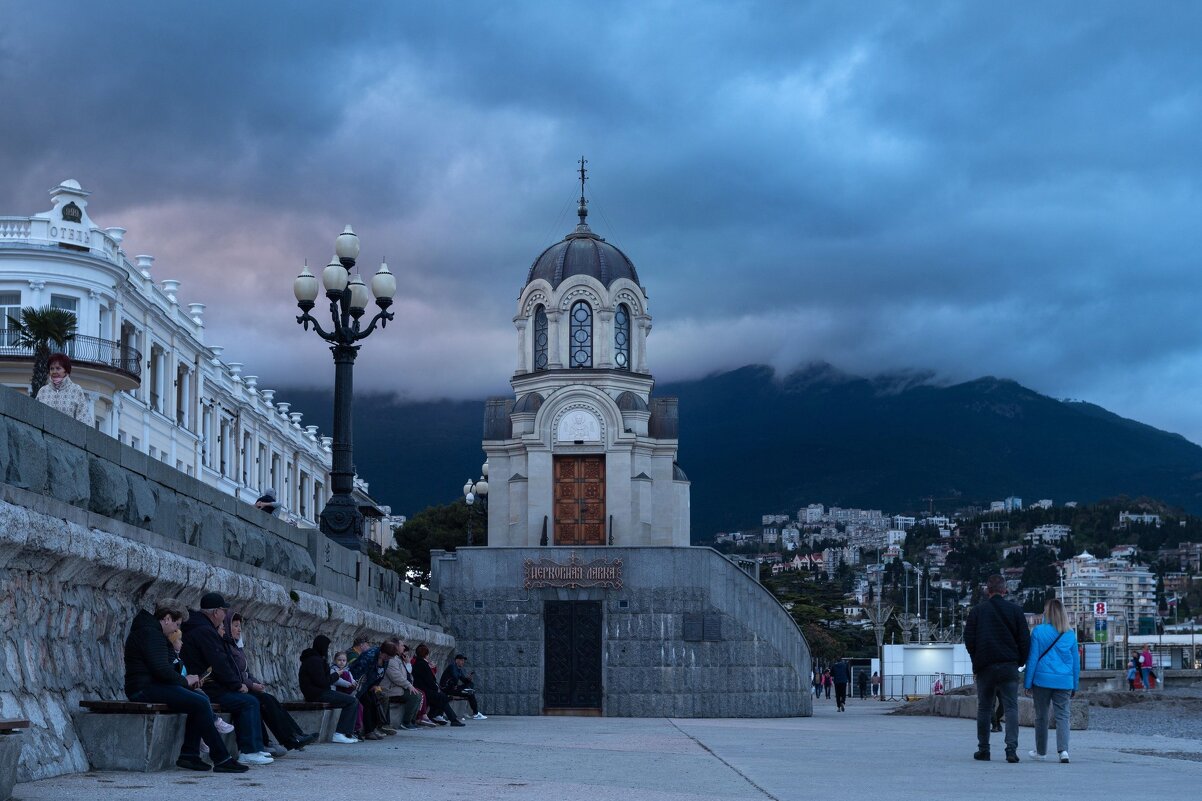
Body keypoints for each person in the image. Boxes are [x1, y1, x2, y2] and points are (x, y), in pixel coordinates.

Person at [123, 599, 247, 773]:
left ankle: (190, 755)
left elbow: (163, 667)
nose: (177, 630)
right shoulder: (150, 633)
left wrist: (186, 679)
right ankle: (221, 759)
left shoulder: (153, 632)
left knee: (199, 700)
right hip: (143, 689)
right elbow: (160, 670)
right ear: (167, 618)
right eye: (177, 624)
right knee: (199, 702)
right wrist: (184, 681)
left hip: (150, 686)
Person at [180, 592, 272, 766]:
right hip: (207, 686)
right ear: (216, 612)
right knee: (248, 702)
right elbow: (219, 662)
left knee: (251, 700)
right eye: (223, 611)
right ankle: (249, 750)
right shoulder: (205, 631)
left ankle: (256, 747)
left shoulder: (198, 627)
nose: (224, 617)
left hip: (203, 685)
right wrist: (237, 685)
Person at [963, 574, 1030, 763]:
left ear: (987, 590)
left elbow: (969, 639)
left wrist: (977, 659)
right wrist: (1019, 662)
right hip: (1009, 665)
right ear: (1005, 590)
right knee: (1011, 708)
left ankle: (984, 749)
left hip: (985, 666)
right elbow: (1025, 641)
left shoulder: (977, 611)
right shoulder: (1016, 611)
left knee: (984, 708)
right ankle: (1011, 750)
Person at [226, 613, 316, 754]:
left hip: (245, 686)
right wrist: (251, 685)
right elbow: (233, 673)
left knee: (268, 699)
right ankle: (286, 739)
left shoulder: (237, 648)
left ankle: (295, 735)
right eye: (235, 626)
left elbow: (246, 672)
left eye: (240, 626)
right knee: (261, 701)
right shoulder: (228, 648)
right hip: (236, 688)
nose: (239, 630)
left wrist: (256, 683)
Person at [1025, 598, 1079, 764]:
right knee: (1063, 716)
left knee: (1041, 716)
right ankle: (1063, 751)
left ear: (1046, 613)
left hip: (1042, 680)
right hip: (1064, 681)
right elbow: (1075, 662)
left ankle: (1041, 752)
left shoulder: (1038, 631)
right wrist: (1075, 684)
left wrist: (1028, 683)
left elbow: (1032, 658)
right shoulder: (1070, 634)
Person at [298, 635, 359, 744]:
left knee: (351, 700)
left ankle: (345, 733)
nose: (327, 649)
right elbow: (322, 682)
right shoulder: (314, 660)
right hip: (317, 693)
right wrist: (337, 674)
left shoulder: (315, 658)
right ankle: (340, 733)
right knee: (352, 701)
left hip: (318, 692)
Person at [349, 641, 397, 739]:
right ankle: (368, 731)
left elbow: (381, 674)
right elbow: (358, 673)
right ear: (382, 652)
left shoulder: (385, 659)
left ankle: (373, 729)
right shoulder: (369, 656)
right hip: (359, 684)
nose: (388, 659)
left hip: (370, 685)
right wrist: (358, 689)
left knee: (375, 702)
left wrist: (375, 685)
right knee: (367, 702)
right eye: (387, 656)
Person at [412, 643, 465, 726]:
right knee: (442, 697)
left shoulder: (418, 663)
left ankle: (433, 716)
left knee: (441, 698)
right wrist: (436, 688)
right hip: (425, 690)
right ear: (426, 654)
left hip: (423, 689)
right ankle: (453, 719)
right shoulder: (423, 664)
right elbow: (429, 680)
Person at [36, 353, 93, 425]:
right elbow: (36, 415)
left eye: (58, 368)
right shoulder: (43, 391)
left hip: (69, 435)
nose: (54, 372)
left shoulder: (76, 390)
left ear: (66, 370)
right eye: (51, 368)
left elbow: (84, 420)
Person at [380, 640, 423, 729]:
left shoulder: (398, 658)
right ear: (396, 646)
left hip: (399, 687)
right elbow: (396, 677)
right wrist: (409, 685)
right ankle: (406, 722)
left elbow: (406, 673)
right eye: (402, 645)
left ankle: (412, 721)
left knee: (418, 694)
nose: (403, 647)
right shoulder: (392, 659)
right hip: (390, 688)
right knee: (414, 696)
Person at [440, 654, 486, 719]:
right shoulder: (452, 666)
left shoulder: (459, 669)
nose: (463, 662)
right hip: (447, 688)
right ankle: (476, 714)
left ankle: (475, 712)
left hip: (454, 687)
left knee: (470, 685)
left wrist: (468, 679)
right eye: (461, 660)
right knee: (470, 694)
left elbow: (464, 680)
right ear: (456, 660)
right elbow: (454, 677)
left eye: (463, 661)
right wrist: (456, 685)